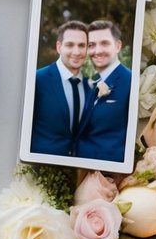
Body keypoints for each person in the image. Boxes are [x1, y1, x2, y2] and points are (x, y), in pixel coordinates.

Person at [74, 19, 132, 162]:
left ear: (117, 46)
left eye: (104, 43)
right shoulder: (92, 81)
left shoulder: (130, 81)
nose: (98, 51)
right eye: (92, 45)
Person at [30, 20, 89, 157]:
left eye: (81, 45)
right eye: (70, 45)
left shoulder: (90, 87)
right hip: (41, 168)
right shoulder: (37, 80)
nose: (76, 51)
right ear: (59, 47)